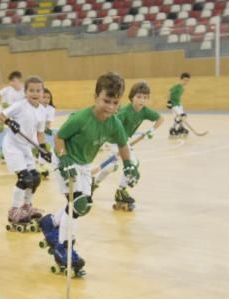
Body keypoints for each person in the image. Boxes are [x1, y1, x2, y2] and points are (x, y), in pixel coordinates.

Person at [39, 73, 134, 277]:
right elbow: (60, 138)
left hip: (84, 164)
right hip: (65, 159)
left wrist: (129, 165)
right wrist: (64, 159)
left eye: (115, 102)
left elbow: (123, 144)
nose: (110, 107)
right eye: (106, 101)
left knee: (84, 204)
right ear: (95, 96)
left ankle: (51, 222)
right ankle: (64, 248)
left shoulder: (114, 123)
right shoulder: (81, 118)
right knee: (77, 204)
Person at [96, 80, 164, 211]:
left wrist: (152, 129)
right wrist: (103, 142)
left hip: (124, 141)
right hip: (115, 141)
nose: (142, 100)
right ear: (132, 97)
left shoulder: (144, 111)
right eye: (139, 97)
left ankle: (110, 188)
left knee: (116, 166)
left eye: (145, 97)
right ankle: (112, 189)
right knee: (127, 164)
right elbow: (111, 126)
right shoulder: (125, 113)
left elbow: (160, 119)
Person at [0, 75, 49, 230]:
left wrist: (43, 149)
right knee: (24, 178)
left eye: (38, 90)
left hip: (26, 147)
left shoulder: (42, 111)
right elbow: (1, 115)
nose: (35, 93)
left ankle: (27, 207)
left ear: (42, 92)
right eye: (31, 90)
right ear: (26, 92)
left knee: (35, 178)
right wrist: (9, 122)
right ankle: (14, 211)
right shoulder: (20, 105)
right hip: (13, 147)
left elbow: (40, 134)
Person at [166, 72, 191, 138]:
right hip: (174, 105)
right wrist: (169, 102)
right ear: (181, 79)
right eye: (185, 80)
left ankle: (180, 128)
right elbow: (169, 92)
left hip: (178, 105)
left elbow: (178, 97)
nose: (186, 82)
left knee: (182, 117)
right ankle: (173, 129)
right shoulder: (177, 86)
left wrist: (180, 104)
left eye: (187, 80)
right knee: (182, 116)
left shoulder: (182, 88)